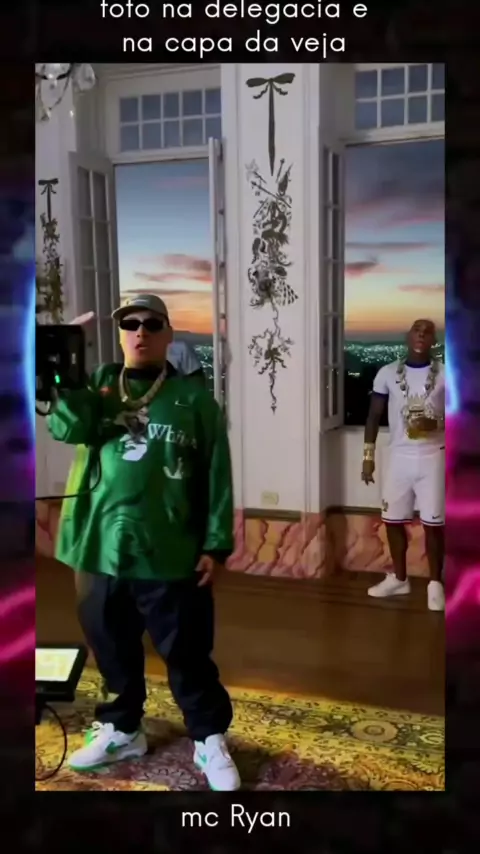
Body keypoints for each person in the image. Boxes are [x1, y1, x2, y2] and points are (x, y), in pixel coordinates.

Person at [47, 294, 240, 790]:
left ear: (168, 334)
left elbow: (216, 477)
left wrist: (215, 544)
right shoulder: (97, 386)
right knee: (109, 644)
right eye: (130, 323)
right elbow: (67, 427)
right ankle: (122, 728)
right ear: (119, 333)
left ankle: (209, 736)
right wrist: (65, 359)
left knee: (187, 650)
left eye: (152, 324)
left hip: (170, 548)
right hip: (99, 544)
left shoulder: (195, 401)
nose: (140, 331)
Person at [361, 319, 445, 612]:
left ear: (433, 340)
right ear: (408, 337)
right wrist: (368, 458)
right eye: (416, 330)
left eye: (427, 331)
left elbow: (463, 415)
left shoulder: (445, 374)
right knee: (392, 520)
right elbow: (374, 416)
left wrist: (436, 424)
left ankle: (435, 585)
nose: (421, 334)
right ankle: (399, 579)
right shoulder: (387, 373)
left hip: (433, 456)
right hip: (398, 458)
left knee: (434, 525)